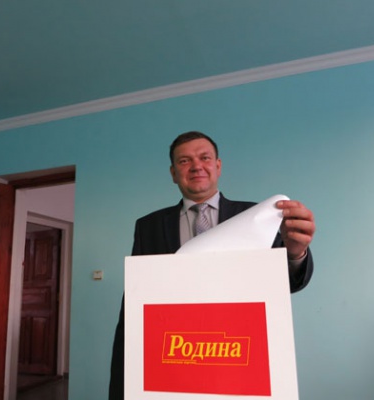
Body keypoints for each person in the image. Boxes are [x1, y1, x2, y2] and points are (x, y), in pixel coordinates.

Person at [108, 131, 315, 400]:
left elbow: (286, 283)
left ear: (218, 166)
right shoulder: (148, 226)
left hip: (236, 351)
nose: (196, 166)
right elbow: (135, 301)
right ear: (173, 173)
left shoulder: (258, 216)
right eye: (184, 161)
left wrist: (296, 252)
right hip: (176, 353)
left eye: (205, 158)